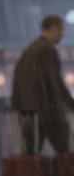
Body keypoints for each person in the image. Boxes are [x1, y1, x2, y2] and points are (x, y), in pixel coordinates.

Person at [11, 14, 74, 155]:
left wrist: (16, 103)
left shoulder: (29, 49)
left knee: (30, 156)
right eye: (61, 30)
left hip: (27, 111)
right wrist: (71, 104)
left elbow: (17, 76)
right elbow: (55, 82)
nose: (63, 34)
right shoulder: (48, 49)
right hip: (47, 110)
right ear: (53, 28)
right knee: (64, 153)